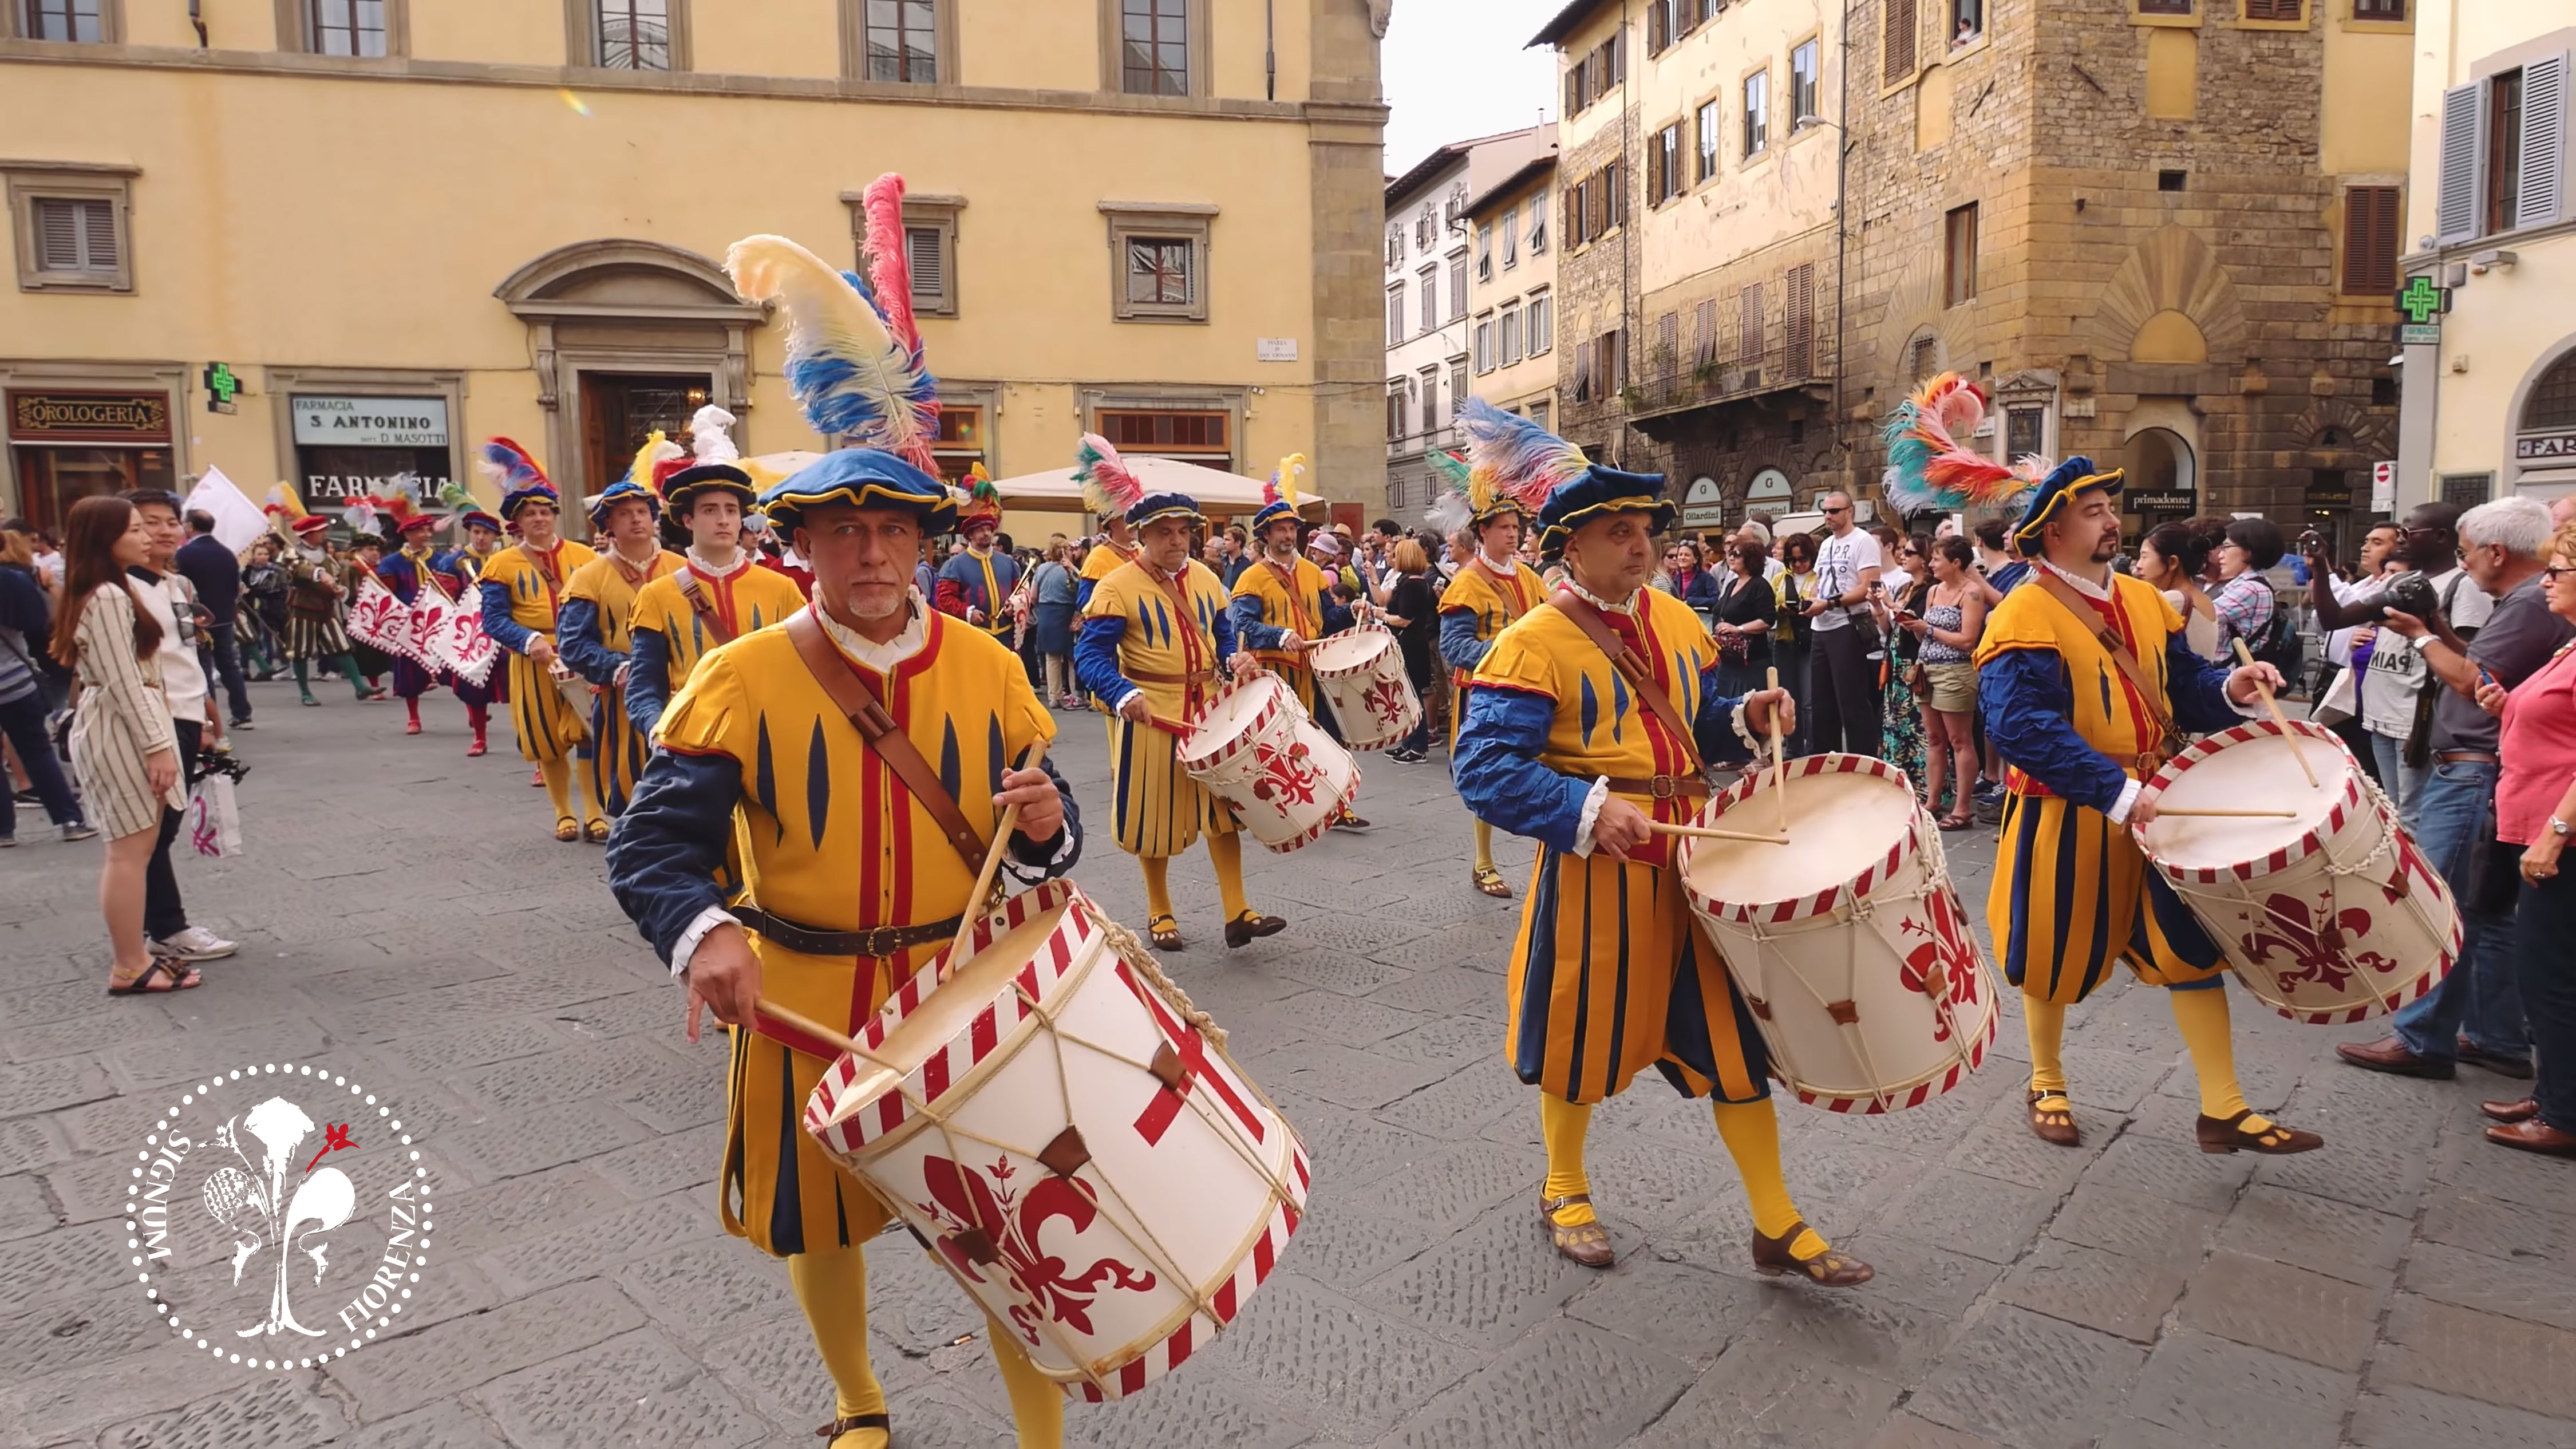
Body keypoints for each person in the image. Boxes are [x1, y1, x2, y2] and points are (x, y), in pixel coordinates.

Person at [1452, 416, 1867, 1286]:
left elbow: (1694, 722)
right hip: (1598, 872)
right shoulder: (1531, 642)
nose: (1642, 545)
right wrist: (1586, 807)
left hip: (1697, 860)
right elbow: (1483, 767)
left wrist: (1746, 716)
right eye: (1620, 532)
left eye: (1645, 529)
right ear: (1571, 547)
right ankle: (1564, 1188)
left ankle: (1776, 1219)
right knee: (1579, 1037)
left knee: (1737, 1045)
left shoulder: (1679, 618)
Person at [1977, 459, 2318, 1155]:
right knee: (2050, 948)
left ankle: (2224, 1107)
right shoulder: (2022, 613)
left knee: (2191, 948)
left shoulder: (2143, 598)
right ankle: (2046, 1080)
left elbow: (2182, 684)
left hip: (2158, 800)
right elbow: (2020, 726)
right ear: (2053, 531)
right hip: (2066, 808)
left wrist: (2231, 689)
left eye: (2110, 508)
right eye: (2095, 511)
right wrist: (2115, 791)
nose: (2113, 520)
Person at [2338, 496, 2570, 1083]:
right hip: (2486, 769)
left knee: (2440, 905)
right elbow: (2487, 672)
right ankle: (2496, 1035)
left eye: (2467, 553)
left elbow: (2470, 677)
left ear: (2497, 552)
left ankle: (2423, 1037)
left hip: (2472, 769)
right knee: (2486, 911)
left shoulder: (2528, 603)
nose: (2464, 564)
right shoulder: (2528, 603)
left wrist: (2421, 635)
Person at [1072, 432, 1287, 953]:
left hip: (1211, 709)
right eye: (1164, 532)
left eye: (1184, 531)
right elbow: (1090, 657)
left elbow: (1222, 637)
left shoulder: (1210, 580)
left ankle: (1238, 911)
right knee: (1155, 817)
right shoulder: (1116, 586)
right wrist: (1122, 693)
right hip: (1152, 714)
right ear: (1142, 535)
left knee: (1225, 813)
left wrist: (1234, 658)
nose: (1176, 541)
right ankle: (1159, 909)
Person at [50, 497, 197, 993]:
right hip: (121, 728)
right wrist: (158, 745)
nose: (146, 536)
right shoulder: (109, 594)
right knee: (130, 852)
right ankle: (130, 963)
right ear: (105, 538)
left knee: (135, 848)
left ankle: (135, 958)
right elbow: (123, 681)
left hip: (120, 721)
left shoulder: (106, 588)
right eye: (135, 529)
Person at [2470, 519, 2576, 1156]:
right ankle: (2555, 1090)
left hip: (2560, 835)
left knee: (2551, 975)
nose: (2545, 582)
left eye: (2557, 571)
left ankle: (2565, 1113)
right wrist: (2506, 707)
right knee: (2545, 972)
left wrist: (2555, 834)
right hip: (2535, 821)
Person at [627, 407, 807, 745]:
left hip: (770, 736)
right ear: (688, 521)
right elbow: (644, 686)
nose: (723, 520)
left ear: (741, 520)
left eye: (731, 510)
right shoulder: (656, 596)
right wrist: (658, 730)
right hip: (692, 740)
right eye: (710, 510)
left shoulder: (782, 589)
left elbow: (806, 670)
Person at [2309, 503, 2490, 827]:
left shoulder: (2463, 586)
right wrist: (2321, 568)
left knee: (2412, 817)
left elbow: (2471, 660)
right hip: (2380, 714)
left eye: (2408, 532)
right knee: (2392, 811)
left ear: (2441, 537)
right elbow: (2334, 618)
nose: (2401, 539)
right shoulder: (2402, 581)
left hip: (2418, 721)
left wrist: (2430, 622)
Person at [1430, 425, 1551, 898]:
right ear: (1483, 531)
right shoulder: (1465, 583)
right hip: (1482, 693)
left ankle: (1545, 855)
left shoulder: (1532, 578)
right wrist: (1507, 654)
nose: (1514, 534)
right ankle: (1483, 862)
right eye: (1505, 528)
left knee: (1543, 768)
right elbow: (1456, 648)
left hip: (1534, 689)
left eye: (1517, 528)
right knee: (1486, 771)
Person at [475, 440, 608, 844]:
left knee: (587, 733)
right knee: (546, 739)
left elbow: (602, 607)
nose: (539, 518)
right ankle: (563, 812)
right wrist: (528, 638)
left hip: (580, 656)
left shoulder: (586, 557)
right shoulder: (501, 564)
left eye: (545, 511)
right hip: (534, 661)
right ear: (518, 521)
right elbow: (493, 619)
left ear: (554, 515)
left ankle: (594, 813)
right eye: (530, 513)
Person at [123, 489, 235, 965]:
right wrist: (156, 737)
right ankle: (165, 928)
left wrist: (206, 717)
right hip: (155, 719)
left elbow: (190, 653)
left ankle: (156, 925)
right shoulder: (119, 590)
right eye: (149, 523)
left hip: (187, 715)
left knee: (163, 827)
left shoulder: (177, 584)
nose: (165, 531)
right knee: (151, 831)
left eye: (171, 521)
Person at [1230, 456, 1369, 832]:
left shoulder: (1312, 572)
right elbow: (1242, 625)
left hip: (1315, 669)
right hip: (1274, 673)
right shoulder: (1252, 578)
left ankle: (1339, 806)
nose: (1288, 535)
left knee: (1329, 739)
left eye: (1292, 528)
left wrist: (1352, 609)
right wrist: (1279, 635)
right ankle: (1282, 809)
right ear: (1266, 535)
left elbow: (1326, 619)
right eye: (1281, 529)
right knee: (1279, 745)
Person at [558, 438, 686, 828]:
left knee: (686, 785)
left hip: (684, 694)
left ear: (655, 518)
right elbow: (573, 644)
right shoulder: (588, 578)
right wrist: (619, 667)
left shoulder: (683, 570)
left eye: (642, 511)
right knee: (630, 785)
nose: (636, 519)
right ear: (608, 526)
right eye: (624, 514)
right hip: (621, 698)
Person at [0, 523, 90, 843]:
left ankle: (3, 830)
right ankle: (69, 820)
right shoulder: (12, 580)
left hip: (13, 679)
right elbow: (38, 624)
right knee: (38, 752)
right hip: (13, 679)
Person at [1902, 536, 1988, 829]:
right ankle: (1933, 801)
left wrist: (1927, 628)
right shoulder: (1933, 591)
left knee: (1959, 740)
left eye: (1937, 559)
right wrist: (1914, 626)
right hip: (1927, 669)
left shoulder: (1973, 593)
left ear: (1956, 563)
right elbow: (1924, 636)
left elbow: (1967, 640)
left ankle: (1962, 809)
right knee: (1934, 738)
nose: (1931, 564)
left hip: (1955, 671)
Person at [266, 489, 379, 705]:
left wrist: (339, 588)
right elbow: (298, 570)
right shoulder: (291, 553)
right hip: (303, 609)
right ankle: (305, 693)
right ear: (309, 534)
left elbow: (335, 575)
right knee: (300, 651)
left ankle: (360, 686)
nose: (324, 534)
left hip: (326, 608)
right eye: (321, 531)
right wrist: (319, 574)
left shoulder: (326, 555)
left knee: (342, 646)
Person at [1803, 492, 1884, 757]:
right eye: (1825, 511)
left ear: (1850, 511)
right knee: (1821, 703)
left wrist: (1829, 603)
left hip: (1847, 624)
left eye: (1834, 511)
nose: (1828, 516)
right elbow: (1819, 581)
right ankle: (1827, 762)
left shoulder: (1863, 541)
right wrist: (1811, 601)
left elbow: (1868, 587)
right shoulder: (1827, 544)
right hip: (1821, 627)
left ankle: (1863, 760)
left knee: (1852, 701)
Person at [370, 498, 455, 740]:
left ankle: (474, 710)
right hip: (408, 625)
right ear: (407, 534)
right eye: (420, 531)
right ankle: (413, 717)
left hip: (438, 622)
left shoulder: (441, 560)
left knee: (458, 669)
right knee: (409, 675)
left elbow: (451, 589)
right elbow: (386, 595)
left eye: (428, 530)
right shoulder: (391, 562)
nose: (427, 535)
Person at [174, 508, 254, 730]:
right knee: (228, 665)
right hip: (225, 617)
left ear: (190, 526)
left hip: (198, 618)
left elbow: (181, 587)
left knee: (203, 668)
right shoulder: (226, 553)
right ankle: (242, 713)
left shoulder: (184, 554)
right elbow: (236, 587)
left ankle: (210, 718)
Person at [933, 471, 1021, 642]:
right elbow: (943, 600)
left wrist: (1015, 605)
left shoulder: (1008, 563)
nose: (986, 533)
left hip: (1006, 636)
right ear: (970, 535)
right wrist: (967, 612)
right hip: (973, 635)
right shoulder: (955, 565)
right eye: (981, 530)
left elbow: (1020, 592)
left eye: (989, 529)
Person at [1874, 535, 1931, 792]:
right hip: (1895, 660)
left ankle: (1921, 785)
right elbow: (1889, 627)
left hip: (1913, 662)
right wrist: (1878, 606)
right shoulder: (1904, 588)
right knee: (1895, 723)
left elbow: (1913, 624)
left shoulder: (1929, 590)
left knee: (1915, 726)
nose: (1903, 556)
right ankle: (1898, 780)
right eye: (1903, 551)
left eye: (1909, 553)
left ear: (1924, 559)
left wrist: (1889, 603)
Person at [1380, 538, 1440, 762]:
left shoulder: (1412, 585)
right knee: (1407, 696)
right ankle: (1409, 742)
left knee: (1412, 697)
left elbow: (1404, 619)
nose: (1392, 558)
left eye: (1396, 555)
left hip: (1411, 645)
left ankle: (1418, 746)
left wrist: (1383, 616)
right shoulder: (1414, 582)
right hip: (1413, 643)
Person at [2135, 522, 2222, 662]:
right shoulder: (2202, 598)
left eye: (2145, 557)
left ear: (2173, 562)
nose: (2138, 566)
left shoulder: (2174, 599)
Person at [1708, 535, 1775, 700]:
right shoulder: (1732, 583)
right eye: (1730, 554)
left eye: (1737, 555)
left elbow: (1768, 620)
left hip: (1751, 660)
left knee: (1748, 706)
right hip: (1728, 659)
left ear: (1750, 559)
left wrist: (1738, 629)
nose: (1731, 558)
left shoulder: (1760, 585)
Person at [2210, 517, 2285, 661]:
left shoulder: (2250, 589)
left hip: (2231, 670)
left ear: (2249, 551)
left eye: (2226, 547)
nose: (2220, 555)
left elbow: (2201, 618)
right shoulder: (2254, 584)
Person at [1773, 530, 1819, 755]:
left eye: (1803, 559)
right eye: (1793, 560)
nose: (1798, 564)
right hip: (1784, 640)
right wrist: (1780, 609)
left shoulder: (1818, 577)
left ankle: (1812, 748)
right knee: (1788, 696)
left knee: (1809, 700)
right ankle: (1793, 746)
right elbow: (1768, 606)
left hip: (1810, 641)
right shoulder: (1780, 579)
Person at [1025, 541, 1081, 709]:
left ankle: (1054, 696)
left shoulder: (1041, 569)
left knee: (1051, 657)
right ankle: (1074, 694)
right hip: (1067, 612)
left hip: (1046, 613)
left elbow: (1033, 596)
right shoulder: (1069, 569)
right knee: (1071, 656)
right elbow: (1083, 586)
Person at [236, 536, 286, 681]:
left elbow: (272, 589)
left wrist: (252, 591)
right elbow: (243, 586)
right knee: (247, 638)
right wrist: (247, 573)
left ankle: (268, 667)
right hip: (250, 609)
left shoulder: (275, 571)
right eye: (260, 554)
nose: (263, 557)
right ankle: (244, 668)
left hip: (270, 608)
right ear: (254, 556)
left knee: (266, 639)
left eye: (266, 554)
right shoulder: (248, 571)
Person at [1972, 516, 2030, 595]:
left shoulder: (2028, 570)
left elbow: (2007, 600)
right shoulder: (2008, 570)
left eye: (2012, 531)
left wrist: (1976, 578)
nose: (2005, 536)